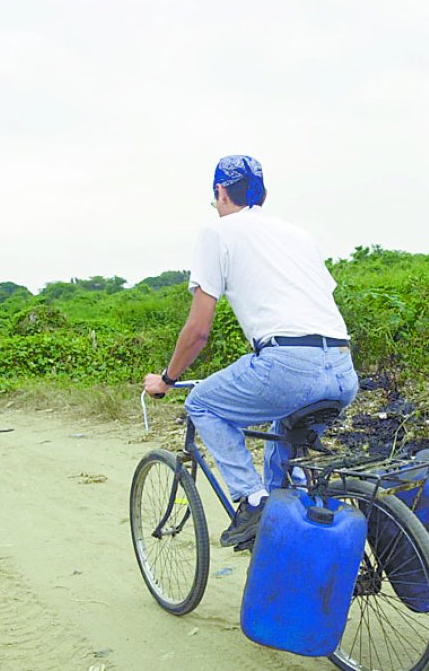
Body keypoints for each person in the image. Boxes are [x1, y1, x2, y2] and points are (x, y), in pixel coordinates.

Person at [143, 155, 358, 549]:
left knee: (203, 403)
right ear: (262, 193)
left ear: (220, 192)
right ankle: (287, 525)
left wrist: (166, 379)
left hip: (287, 364)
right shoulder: (297, 235)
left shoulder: (217, 232)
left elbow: (198, 330)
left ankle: (253, 500)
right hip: (343, 370)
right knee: (286, 443)